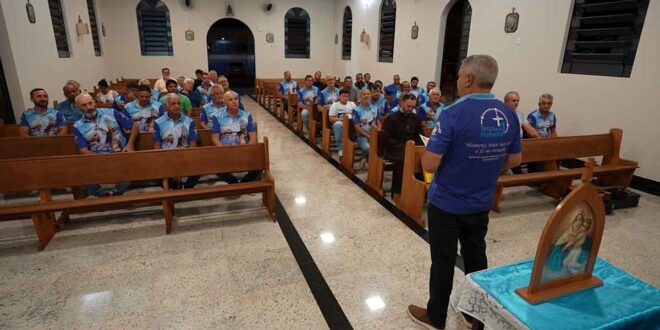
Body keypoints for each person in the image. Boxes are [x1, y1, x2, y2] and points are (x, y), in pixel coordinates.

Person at [408, 55, 521, 330]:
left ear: (468, 79)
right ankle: (476, 315)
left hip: (447, 203)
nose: (458, 82)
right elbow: (515, 160)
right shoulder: (508, 113)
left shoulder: (452, 113)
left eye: (459, 76)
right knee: (476, 258)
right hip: (481, 200)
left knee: (443, 262)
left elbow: (430, 162)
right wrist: (485, 168)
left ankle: (436, 317)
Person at [73, 93, 138, 197]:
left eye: (90, 103)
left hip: (120, 155)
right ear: (78, 108)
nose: (89, 107)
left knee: (132, 168)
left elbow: (134, 125)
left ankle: (116, 193)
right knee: (80, 174)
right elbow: (83, 150)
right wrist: (101, 159)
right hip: (97, 159)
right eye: (84, 105)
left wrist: (130, 144)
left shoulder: (112, 113)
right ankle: (103, 195)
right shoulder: (78, 126)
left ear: (94, 102)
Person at [211, 91, 261, 184]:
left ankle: (244, 183)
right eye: (230, 100)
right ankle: (233, 182)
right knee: (215, 166)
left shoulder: (246, 115)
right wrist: (223, 150)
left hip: (244, 149)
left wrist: (247, 149)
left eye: (236, 99)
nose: (234, 101)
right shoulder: (217, 117)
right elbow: (215, 138)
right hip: (225, 150)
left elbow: (253, 136)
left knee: (260, 164)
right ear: (224, 103)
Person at [153, 93, 200, 189]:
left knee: (200, 168)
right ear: (167, 106)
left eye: (179, 103)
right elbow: (157, 146)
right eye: (173, 104)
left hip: (185, 156)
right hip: (166, 157)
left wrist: (184, 161)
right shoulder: (158, 122)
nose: (177, 106)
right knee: (152, 172)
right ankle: (173, 187)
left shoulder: (189, 121)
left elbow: (193, 145)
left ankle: (187, 189)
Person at [382, 92, 424, 198]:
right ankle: (397, 192)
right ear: (402, 102)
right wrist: (405, 147)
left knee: (423, 160)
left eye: (413, 107)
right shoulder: (391, 118)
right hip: (396, 149)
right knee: (403, 160)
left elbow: (421, 136)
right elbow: (387, 138)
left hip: (413, 148)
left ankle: (418, 193)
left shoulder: (416, 118)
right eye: (408, 106)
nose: (411, 109)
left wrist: (416, 148)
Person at [352, 88, 380, 169]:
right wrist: (368, 136)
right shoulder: (356, 110)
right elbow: (357, 126)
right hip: (362, 136)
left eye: (368, 94)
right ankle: (366, 158)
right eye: (363, 94)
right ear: (360, 97)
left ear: (370, 96)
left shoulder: (375, 108)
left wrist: (377, 132)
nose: (366, 96)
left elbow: (379, 122)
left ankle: (375, 164)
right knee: (367, 147)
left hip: (374, 135)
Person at [329, 88, 357, 157]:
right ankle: (341, 148)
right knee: (337, 125)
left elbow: (356, 116)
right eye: (343, 96)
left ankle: (354, 145)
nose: (345, 98)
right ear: (339, 96)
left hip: (351, 123)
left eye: (347, 96)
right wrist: (342, 119)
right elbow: (331, 119)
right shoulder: (335, 105)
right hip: (340, 122)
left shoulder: (352, 104)